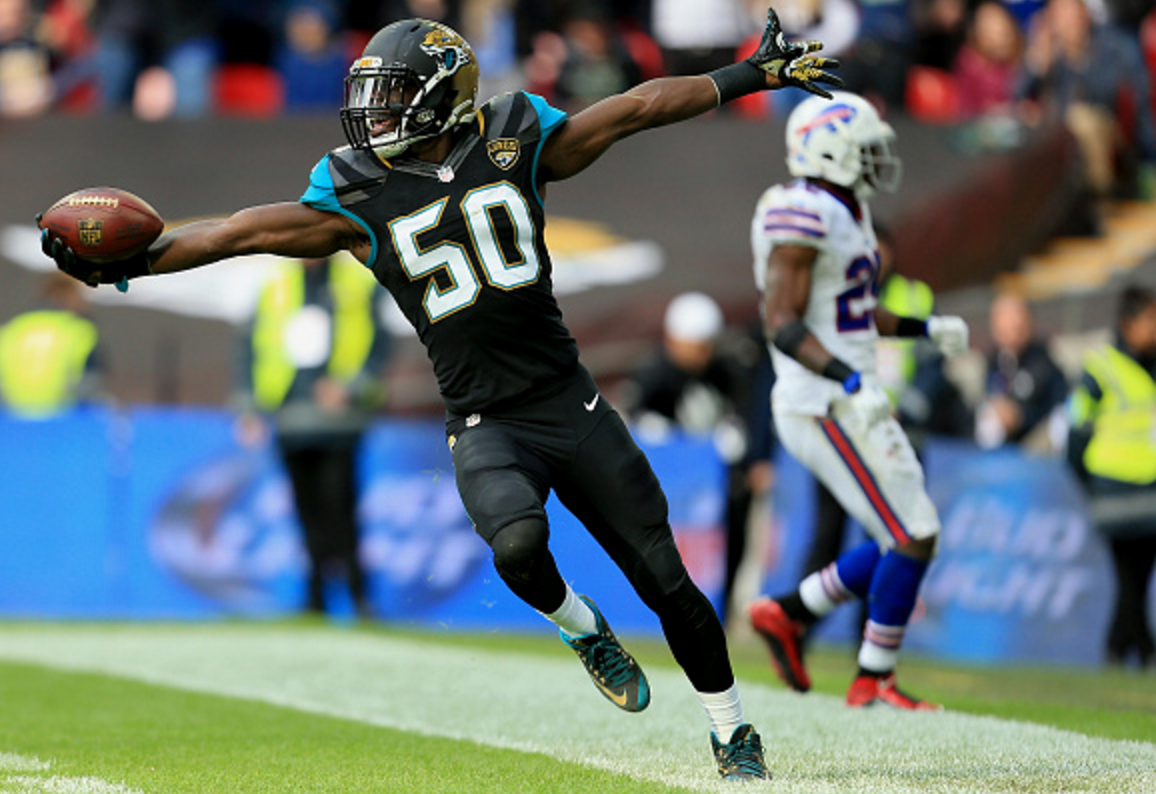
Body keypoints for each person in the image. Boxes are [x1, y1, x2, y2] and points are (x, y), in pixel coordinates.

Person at [39, 10, 841, 780]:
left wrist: (747, 75)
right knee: (519, 547)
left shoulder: (512, 137)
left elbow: (632, 109)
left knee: (668, 584)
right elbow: (241, 231)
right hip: (485, 418)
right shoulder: (355, 195)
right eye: (371, 95)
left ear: (441, 93)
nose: (372, 114)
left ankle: (731, 728)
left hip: (569, 401)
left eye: (390, 95)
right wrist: (137, 264)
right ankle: (582, 628)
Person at [745, 91, 970, 710]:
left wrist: (924, 329)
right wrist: (848, 378)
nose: (877, 159)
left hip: (846, 395)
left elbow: (852, 312)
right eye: (865, 148)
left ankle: (792, 613)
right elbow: (782, 321)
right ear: (830, 150)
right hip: (822, 401)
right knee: (913, 530)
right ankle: (872, 675)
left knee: (908, 530)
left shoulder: (849, 212)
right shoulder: (801, 211)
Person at [235, 254, 392, 618]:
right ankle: (316, 597)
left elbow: (381, 344)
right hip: (289, 417)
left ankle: (357, 595)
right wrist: (248, 407)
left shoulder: (357, 283)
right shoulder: (274, 286)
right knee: (307, 512)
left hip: (340, 422)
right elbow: (247, 346)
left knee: (340, 509)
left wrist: (351, 388)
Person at [619, 291, 764, 628]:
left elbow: (746, 415)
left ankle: (720, 611)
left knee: (731, 543)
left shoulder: (727, 372)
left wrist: (738, 446)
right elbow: (634, 420)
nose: (700, 354)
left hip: (717, 488)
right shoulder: (654, 374)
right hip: (670, 490)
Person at [1066, 285, 1156, 669]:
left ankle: (1117, 653)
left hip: (1149, 488)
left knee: (1136, 580)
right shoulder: (1101, 366)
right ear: (1128, 322)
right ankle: (1145, 652)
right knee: (1128, 578)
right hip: (1114, 489)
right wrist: (1089, 485)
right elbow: (1076, 427)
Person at [0, 271, 107, 417]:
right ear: (67, 295)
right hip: (60, 418)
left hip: (13, 419)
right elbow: (92, 382)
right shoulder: (80, 331)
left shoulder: (12, 329)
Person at [974, 292, 1067, 451]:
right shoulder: (992, 362)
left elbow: (1057, 408)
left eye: (1019, 316)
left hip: (1037, 449)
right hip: (1003, 452)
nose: (1015, 323)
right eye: (1006, 318)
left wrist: (1020, 416)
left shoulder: (1043, 362)